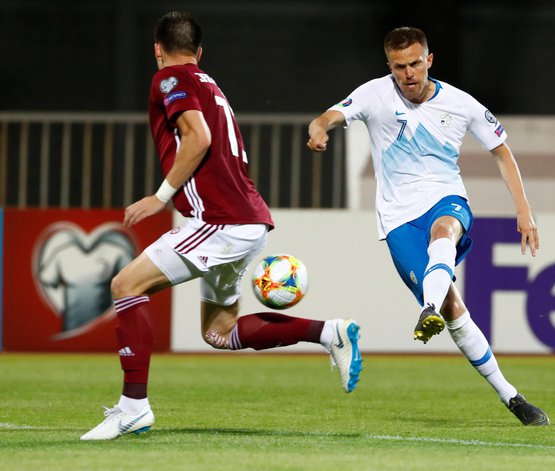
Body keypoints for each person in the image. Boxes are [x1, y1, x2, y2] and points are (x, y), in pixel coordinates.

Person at [81, 11, 362, 441]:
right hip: (244, 220)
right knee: (219, 332)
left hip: (219, 220)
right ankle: (329, 332)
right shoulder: (210, 84)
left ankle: (133, 408)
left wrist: (158, 198)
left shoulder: (169, 80)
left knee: (125, 285)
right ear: (199, 51)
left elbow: (198, 138)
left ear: (157, 49)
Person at [307, 27, 548, 426]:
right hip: (398, 219)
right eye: (399, 66)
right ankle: (510, 394)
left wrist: (524, 210)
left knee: (445, 232)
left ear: (429, 60)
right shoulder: (373, 93)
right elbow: (328, 116)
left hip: (445, 198)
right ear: (390, 66)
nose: (408, 74)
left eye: (415, 63)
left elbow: (502, 152)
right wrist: (318, 129)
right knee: (456, 312)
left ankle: (428, 309)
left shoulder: (461, 103)